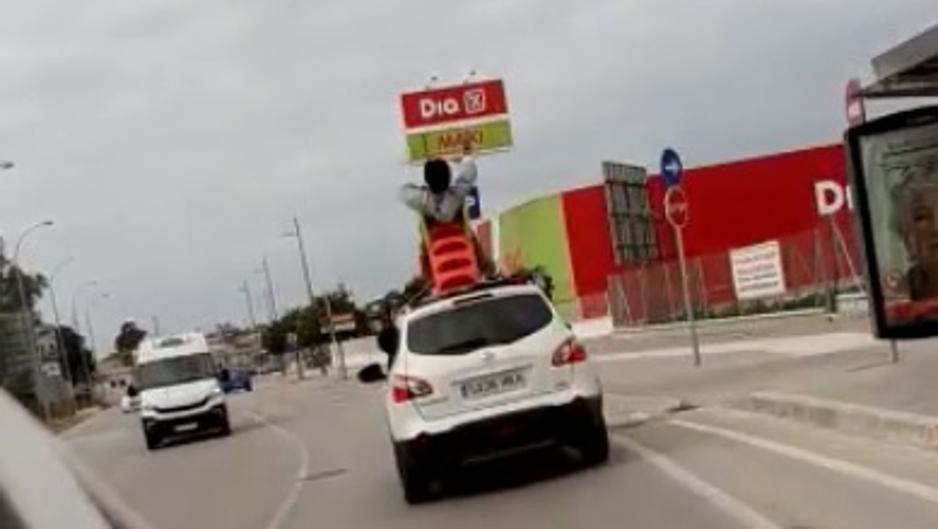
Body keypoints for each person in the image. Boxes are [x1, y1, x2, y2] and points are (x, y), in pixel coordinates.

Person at [399, 142, 477, 223]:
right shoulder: (458, 193)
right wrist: (466, 157)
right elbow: (468, 174)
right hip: (450, 212)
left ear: (426, 180)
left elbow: (404, 192)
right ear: (449, 176)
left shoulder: (420, 198)